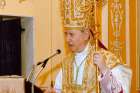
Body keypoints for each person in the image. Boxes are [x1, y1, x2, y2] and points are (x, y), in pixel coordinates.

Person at [45, 0, 132, 93]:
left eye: (71, 34)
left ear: (86, 34)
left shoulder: (107, 59)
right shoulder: (67, 62)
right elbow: (60, 90)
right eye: (65, 34)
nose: (67, 39)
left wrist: (104, 69)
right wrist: (53, 91)